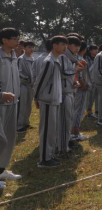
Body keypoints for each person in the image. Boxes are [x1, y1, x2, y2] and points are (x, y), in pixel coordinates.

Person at [35, 35, 68, 168]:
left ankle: (49, 155)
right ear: (54, 45)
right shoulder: (49, 61)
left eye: (66, 45)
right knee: (47, 130)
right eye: (63, 44)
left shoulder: (56, 60)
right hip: (48, 99)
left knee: (52, 129)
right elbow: (40, 81)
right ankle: (44, 159)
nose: (65, 47)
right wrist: (36, 97)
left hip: (54, 99)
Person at [0, 28, 22, 185]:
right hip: (1, 102)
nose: (17, 41)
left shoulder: (14, 57)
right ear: (4, 40)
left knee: (9, 137)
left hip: (13, 103)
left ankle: (1, 169)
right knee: (1, 139)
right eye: (14, 39)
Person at [17, 40, 36, 134]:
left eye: (32, 47)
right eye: (29, 47)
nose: (31, 49)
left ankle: (26, 123)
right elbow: (18, 72)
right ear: (24, 48)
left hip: (31, 86)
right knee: (22, 105)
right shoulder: (21, 59)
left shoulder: (33, 59)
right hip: (23, 85)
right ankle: (19, 125)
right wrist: (26, 78)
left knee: (28, 105)